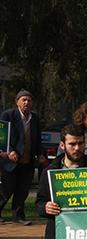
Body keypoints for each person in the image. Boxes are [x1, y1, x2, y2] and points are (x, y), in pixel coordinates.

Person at [0, 89, 44, 224]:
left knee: (23, 190)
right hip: (10, 160)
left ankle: (18, 217)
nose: (26, 102)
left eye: (29, 100)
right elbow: (2, 136)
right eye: (23, 99)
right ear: (17, 102)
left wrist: (41, 154)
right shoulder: (8, 115)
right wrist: (10, 151)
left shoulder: (35, 118)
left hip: (28, 160)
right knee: (7, 189)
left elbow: (37, 139)